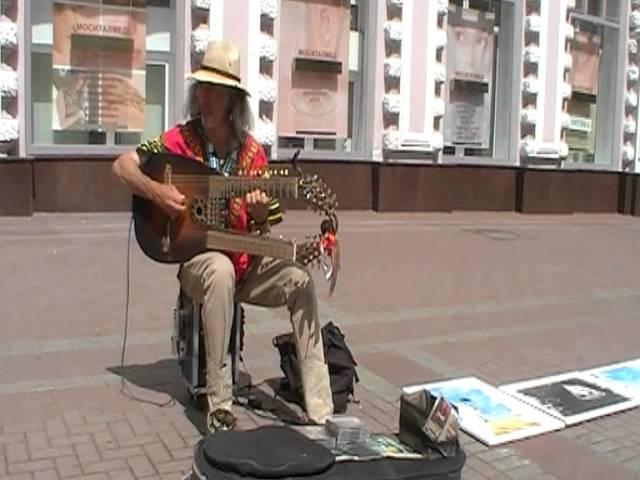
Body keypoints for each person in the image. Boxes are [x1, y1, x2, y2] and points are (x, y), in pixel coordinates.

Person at [112, 40, 334, 432]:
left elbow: (265, 228)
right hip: (201, 263)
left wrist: (259, 209)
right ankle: (220, 408)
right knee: (218, 271)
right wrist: (158, 193)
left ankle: (321, 409)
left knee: (300, 280)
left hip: (246, 262)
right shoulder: (179, 141)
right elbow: (122, 166)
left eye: (214, 90)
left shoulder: (254, 155)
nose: (204, 97)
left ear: (233, 101)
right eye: (201, 88)